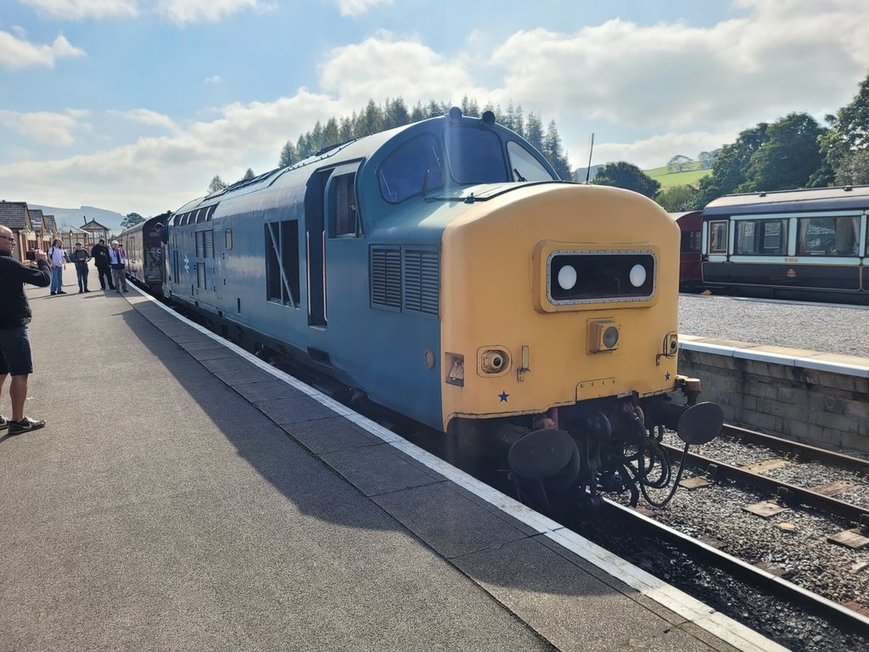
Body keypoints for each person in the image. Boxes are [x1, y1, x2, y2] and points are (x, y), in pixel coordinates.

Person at [0, 224, 50, 435]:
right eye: (10, 240)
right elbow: (43, 279)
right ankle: (18, 420)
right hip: (12, 327)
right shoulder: (8, 264)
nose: (13, 244)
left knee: (0, 371)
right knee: (19, 372)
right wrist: (42, 260)